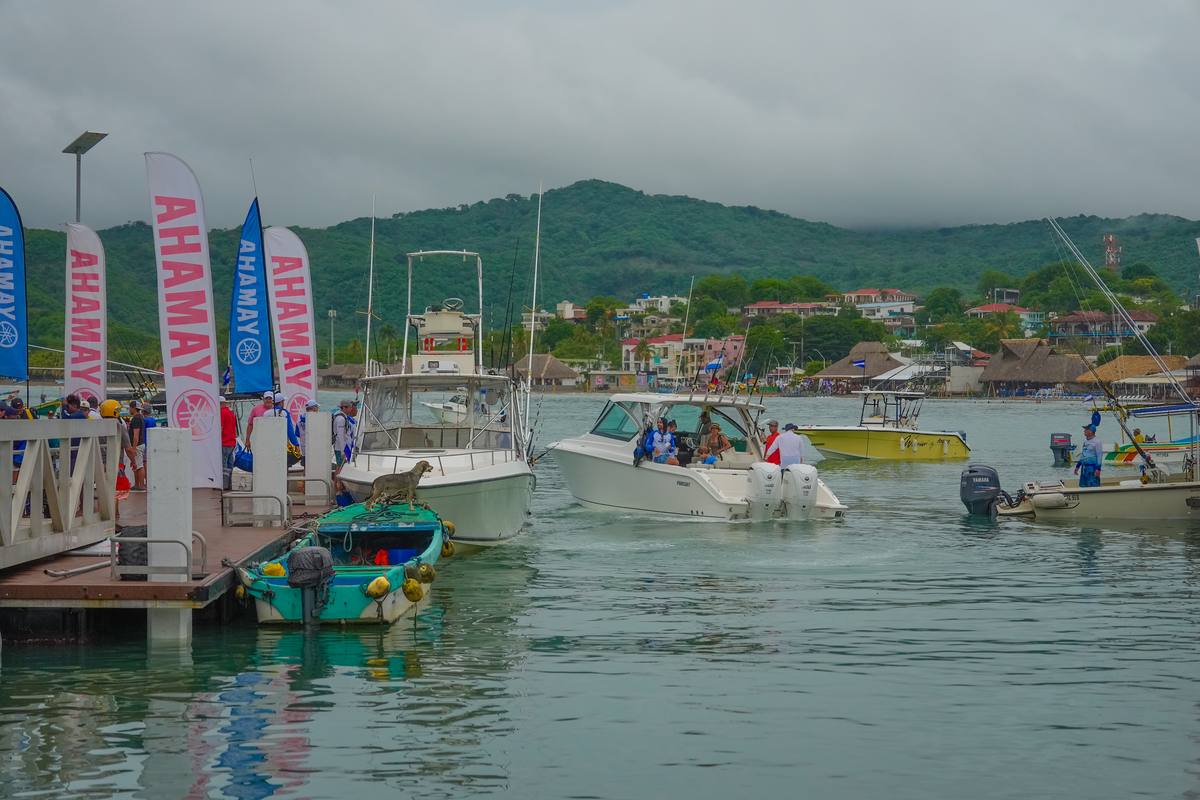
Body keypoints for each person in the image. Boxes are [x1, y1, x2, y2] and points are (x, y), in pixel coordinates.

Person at [1075, 423, 1104, 487]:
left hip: (1092, 468)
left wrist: (1098, 469)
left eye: (1086, 430)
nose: (1084, 431)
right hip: (1084, 467)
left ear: (1091, 431)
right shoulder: (1085, 441)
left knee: (1092, 484)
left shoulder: (1097, 442)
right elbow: (1083, 455)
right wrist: (1077, 467)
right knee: (1083, 485)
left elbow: (1099, 456)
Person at [332, 399, 357, 472]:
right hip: (341, 448)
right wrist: (343, 451)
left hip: (343, 446)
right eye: (350, 407)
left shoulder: (342, 416)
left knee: (340, 466)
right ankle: (337, 483)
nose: (351, 409)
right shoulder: (341, 419)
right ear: (344, 408)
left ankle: (337, 483)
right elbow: (340, 435)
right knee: (340, 467)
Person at [127, 400, 147, 490]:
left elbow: (136, 435)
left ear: (133, 408)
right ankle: (137, 484)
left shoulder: (136, 418)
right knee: (137, 465)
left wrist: (134, 448)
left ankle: (141, 485)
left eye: (130, 408)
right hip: (140, 444)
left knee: (139, 465)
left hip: (137, 445)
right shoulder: (141, 417)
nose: (129, 409)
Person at [220, 395, 238, 491]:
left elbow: (221, 428)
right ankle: (230, 484)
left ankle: (224, 485)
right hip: (232, 443)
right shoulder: (231, 413)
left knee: (223, 466)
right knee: (230, 465)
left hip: (224, 442)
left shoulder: (221, 413)